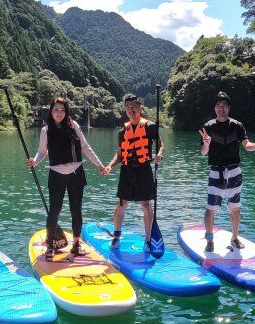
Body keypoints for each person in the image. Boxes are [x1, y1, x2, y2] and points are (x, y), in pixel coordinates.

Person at [27, 97, 109, 260]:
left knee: (76, 210)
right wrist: (34, 161)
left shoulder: (74, 126)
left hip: (76, 173)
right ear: (51, 111)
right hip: (56, 174)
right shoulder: (46, 130)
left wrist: (99, 164)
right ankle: (50, 246)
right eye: (56, 110)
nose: (59, 113)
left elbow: (85, 147)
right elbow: (42, 152)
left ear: (67, 112)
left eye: (62, 110)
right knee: (54, 212)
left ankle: (76, 245)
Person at [199, 91, 255, 253]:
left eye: (225, 106)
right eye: (218, 106)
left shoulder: (237, 125)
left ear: (229, 108)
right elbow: (202, 152)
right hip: (216, 172)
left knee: (235, 208)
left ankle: (234, 238)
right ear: (215, 108)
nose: (221, 109)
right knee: (211, 209)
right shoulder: (208, 127)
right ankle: (209, 240)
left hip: (234, 172)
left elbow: (246, 145)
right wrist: (207, 143)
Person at [107, 94, 164, 250]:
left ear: (140, 108)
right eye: (127, 107)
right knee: (121, 203)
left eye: (133, 107)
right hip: (126, 170)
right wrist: (110, 166)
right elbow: (119, 155)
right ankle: (117, 235)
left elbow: (160, 145)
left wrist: (159, 155)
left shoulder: (150, 126)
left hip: (143, 169)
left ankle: (147, 240)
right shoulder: (122, 131)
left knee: (146, 205)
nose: (130, 110)